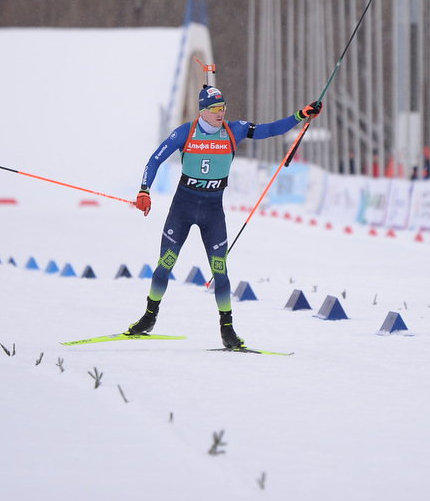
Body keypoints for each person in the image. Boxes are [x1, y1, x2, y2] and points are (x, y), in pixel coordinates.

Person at [125, 85, 322, 348]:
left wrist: (300, 115)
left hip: (212, 210)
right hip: (182, 207)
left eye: (223, 108)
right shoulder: (185, 132)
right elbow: (154, 160)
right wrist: (143, 190)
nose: (221, 113)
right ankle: (149, 317)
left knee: (220, 271)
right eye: (215, 109)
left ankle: (227, 329)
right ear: (203, 111)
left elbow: (270, 129)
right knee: (165, 264)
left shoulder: (234, 129)